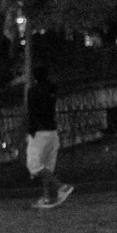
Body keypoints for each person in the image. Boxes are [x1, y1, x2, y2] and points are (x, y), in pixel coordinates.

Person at [26, 64, 74, 209]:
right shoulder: (52, 89)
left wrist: (30, 129)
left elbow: (32, 110)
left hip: (39, 132)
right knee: (47, 166)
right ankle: (47, 197)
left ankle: (61, 186)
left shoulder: (33, 91)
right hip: (52, 130)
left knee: (34, 165)